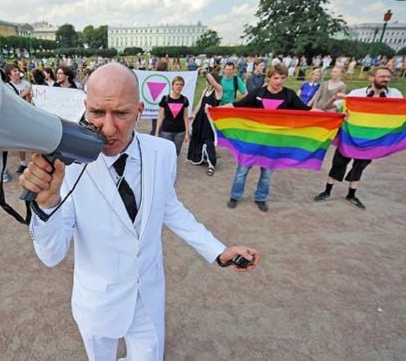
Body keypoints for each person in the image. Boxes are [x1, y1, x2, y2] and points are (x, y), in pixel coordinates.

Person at [20, 62, 260, 361]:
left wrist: (218, 250)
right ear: (85, 107)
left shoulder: (163, 152)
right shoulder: (67, 166)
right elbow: (51, 255)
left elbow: (170, 209)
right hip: (97, 303)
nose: (107, 128)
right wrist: (45, 203)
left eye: (120, 113)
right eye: (97, 113)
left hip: (148, 296)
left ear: (139, 109)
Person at [222, 64, 312, 212]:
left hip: (273, 143)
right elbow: (238, 105)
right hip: (252, 140)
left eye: (282, 78)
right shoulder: (258, 93)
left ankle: (261, 198)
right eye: (276, 78)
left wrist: (335, 116)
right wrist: (216, 109)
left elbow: (307, 110)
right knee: (242, 171)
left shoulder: (289, 95)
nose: (279, 81)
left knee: (267, 174)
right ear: (269, 78)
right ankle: (235, 196)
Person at [313, 67, 403, 210]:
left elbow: (401, 111)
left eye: (387, 76)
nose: (385, 79)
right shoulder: (357, 93)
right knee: (339, 162)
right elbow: (332, 106)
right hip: (350, 135)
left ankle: (351, 194)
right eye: (382, 76)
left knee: (360, 166)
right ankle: (327, 191)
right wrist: (336, 100)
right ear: (372, 78)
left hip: (374, 138)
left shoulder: (395, 94)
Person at [186, 68, 223, 176]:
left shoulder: (219, 90)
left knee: (208, 141)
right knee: (197, 137)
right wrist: (193, 114)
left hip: (210, 120)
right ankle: (199, 158)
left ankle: (211, 164)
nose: (207, 80)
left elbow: (213, 82)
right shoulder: (206, 90)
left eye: (208, 78)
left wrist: (205, 71)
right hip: (200, 118)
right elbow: (200, 103)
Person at [5, 63, 32, 175]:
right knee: (21, 141)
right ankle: (23, 163)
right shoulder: (7, 87)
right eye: (14, 71)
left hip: (28, 114)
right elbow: (11, 101)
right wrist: (24, 94)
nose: (17, 72)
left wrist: (27, 97)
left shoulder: (26, 83)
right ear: (9, 74)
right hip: (16, 116)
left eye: (17, 70)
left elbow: (29, 99)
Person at [155, 76, 189, 156]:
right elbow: (160, 116)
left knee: (175, 153)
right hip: (166, 131)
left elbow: (185, 117)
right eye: (176, 84)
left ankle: (173, 168)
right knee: (165, 153)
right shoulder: (165, 99)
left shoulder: (184, 100)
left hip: (180, 132)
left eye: (181, 85)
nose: (179, 86)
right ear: (172, 85)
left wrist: (187, 133)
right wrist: (157, 132)